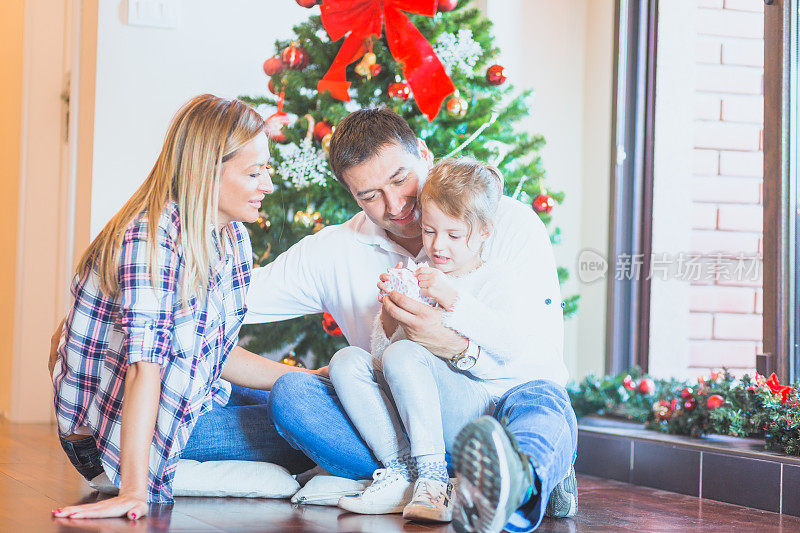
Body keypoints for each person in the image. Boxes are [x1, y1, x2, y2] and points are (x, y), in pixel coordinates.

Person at [245, 107, 578, 532]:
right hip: (405, 431)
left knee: (542, 401)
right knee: (294, 394)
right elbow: (234, 296)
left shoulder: (504, 222)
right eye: (370, 196)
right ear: (352, 196)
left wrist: (455, 345)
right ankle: (430, 478)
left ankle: (520, 481)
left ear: (424, 153)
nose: (396, 205)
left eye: (401, 179)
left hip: (497, 410)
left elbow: (540, 364)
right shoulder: (334, 251)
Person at [50, 94, 317, 521]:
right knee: (310, 425)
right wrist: (135, 490)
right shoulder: (149, 240)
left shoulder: (231, 238)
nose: (268, 185)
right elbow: (144, 367)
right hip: (110, 439)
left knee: (306, 397)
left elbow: (216, 352)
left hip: (192, 398)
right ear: (207, 172)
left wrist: (313, 376)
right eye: (254, 172)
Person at [327, 157, 567, 525]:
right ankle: (403, 470)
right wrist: (390, 317)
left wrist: (454, 300)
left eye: (454, 235)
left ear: (485, 232)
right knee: (346, 359)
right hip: (418, 411)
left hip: (473, 402)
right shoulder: (422, 272)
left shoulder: (495, 279)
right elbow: (382, 358)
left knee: (407, 352)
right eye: (428, 231)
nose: (438, 247)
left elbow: (508, 343)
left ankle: (435, 477)